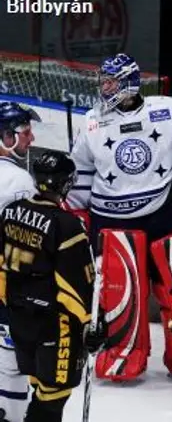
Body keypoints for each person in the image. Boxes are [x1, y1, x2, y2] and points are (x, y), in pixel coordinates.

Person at [66, 53, 172, 380]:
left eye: (110, 81)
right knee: (120, 292)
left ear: (129, 83)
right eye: (103, 81)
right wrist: (73, 212)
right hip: (111, 219)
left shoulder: (167, 110)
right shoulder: (92, 120)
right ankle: (123, 358)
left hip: (163, 213)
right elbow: (81, 174)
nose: (104, 87)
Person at [1, 151, 104, 422]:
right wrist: (93, 323)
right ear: (66, 184)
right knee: (53, 397)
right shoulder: (68, 226)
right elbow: (77, 287)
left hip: (19, 319)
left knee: (39, 385)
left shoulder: (10, 213)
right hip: (54, 325)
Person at [0, 101, 39, 422]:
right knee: (11, 365)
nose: (32, 138)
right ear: (5, 136)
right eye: (25, 132)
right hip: (7, 288)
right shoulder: (20, 182)